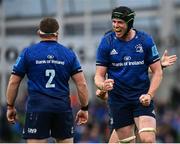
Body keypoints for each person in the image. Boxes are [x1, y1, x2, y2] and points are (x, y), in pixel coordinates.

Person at [6, 17, 89, 143]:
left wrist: (10, 107)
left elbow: (13, 82)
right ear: (57, 34)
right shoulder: (68, 54)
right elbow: (81, 84)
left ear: (39, 33)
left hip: (37, 109)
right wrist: (84, 108)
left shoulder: (28, 52)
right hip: (62, 109)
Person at [95, 6, 164, 143]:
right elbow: (98, 75)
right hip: (118, 102)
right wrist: (103, 84)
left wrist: (149, 95)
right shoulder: (106, 42)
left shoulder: (145, 40)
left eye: (120, 22)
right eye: (114, 22)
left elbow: (157, 72)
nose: (116, 26)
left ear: (130, 22)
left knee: (148, 139)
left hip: (141, 98)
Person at [96, 49, 177, 143]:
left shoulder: (128, 64)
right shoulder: (107, 70)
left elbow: (144, 70)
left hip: (131, 112)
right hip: (117, 115)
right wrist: (102, 91)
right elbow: (103, 94)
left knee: (145, 139)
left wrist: (159, 66)